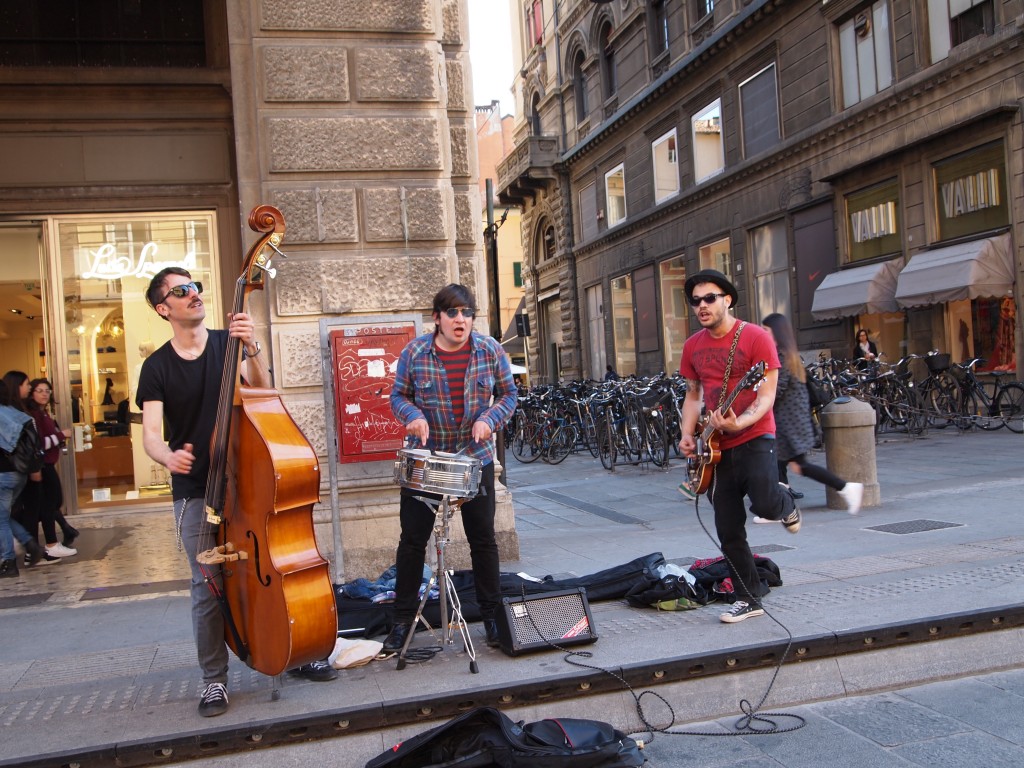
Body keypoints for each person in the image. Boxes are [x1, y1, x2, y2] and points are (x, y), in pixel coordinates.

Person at [135, 267, 336, 719]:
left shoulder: (231, 343)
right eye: (181, 291)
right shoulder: (157, 367)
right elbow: (150, 434)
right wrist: (167, 457)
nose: (194, 295)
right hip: (196, 490)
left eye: (196, 287)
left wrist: (253, 348)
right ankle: (214, 681)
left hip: (248, 485)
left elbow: (264, 392)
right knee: (206, 587)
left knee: (275, 569)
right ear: (163, 308)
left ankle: (290, 649)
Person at [386, 283, 517, 653]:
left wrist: (490, 419)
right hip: (427, 459)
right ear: (438, 318)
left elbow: (509, 394)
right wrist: (411, 416)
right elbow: (398, 395)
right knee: (412, 542)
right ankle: (400, 622)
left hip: (475, 459)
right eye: (453, 313)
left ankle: (491, 617)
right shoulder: (415, 352)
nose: (461, 320)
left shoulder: (490, 349)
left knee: (483, 540)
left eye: (467, 313)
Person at [677, 269, 799, 624]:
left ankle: (786, 501)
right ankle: (748, 598)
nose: (702, 305)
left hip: (755, 435)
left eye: (709, 298)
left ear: (727, 299)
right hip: (715, 446)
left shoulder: (756, 338)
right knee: (728, 527)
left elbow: (766, 395)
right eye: (696, 300)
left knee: (765, 503)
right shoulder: (692, 346)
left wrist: (740, 422)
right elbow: (693, 394)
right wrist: (688, 434)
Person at [759, 314, 863, 518]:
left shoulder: (781, 358)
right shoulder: (788, 355)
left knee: (772, 466)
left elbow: (774, 390)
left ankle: (776, 510)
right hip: (792, 422)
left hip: (788, 424)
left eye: (766, 331)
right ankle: (846, 488)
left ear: (776, 333)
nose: (763, 335)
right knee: (795, 466)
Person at [3, 370, 62, 566]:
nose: (29, 389)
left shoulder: (17, 413)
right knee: (7, 514)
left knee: (9, 514)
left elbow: (32, 444)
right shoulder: (21, 413)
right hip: (19, 471)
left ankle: (15, 557)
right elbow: (32, 443)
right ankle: (30, 546)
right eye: (28, 385)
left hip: (10, 471)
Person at [24, 378, 79, 557]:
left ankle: (37, 549)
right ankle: (50, 544)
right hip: (42, 465)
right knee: (49, 503)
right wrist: (61, 435)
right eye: (39, 390)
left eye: (47, 390)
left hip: (46, 463)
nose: (44, 394)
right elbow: (39, 443)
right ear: (32, 392)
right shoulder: (34, 415)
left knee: (49, 503)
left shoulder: (43, 413)